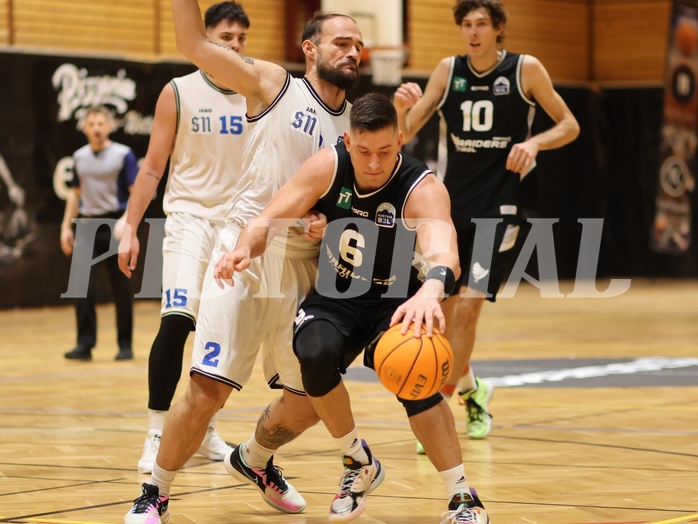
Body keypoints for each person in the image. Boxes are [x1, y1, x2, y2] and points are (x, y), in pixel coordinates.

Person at [123, 3, 364, 523]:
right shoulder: (275, 83)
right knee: (207, 388)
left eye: (356, 44)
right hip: (244, 253)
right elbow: (195, 45)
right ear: (310, 49)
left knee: (309, 399)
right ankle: (155, 491)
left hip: (303, 268)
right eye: (340, 42)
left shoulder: (355, 126)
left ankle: (255, 459)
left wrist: (333, 223)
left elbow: (353, 204)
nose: (352, 50)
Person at [216, 93, 490, 524]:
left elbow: (446, 254)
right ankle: (357, 462)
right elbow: (268, 217)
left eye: (385, 151)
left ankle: (462, 498)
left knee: (416, 381)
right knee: (314, 354)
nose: (375, 163)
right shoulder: (328, 165)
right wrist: (241, 250)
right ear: (348, 141)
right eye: (364, 152)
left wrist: (429, 292)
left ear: (400, 140)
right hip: (338, 295)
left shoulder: (422, 187)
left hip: (399, 300)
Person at [393, 0, 580, 444]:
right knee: (445, 311)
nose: (473, 32)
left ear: (498, 29)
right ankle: (474, 391)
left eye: (482, 24)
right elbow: (407, 133)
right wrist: (405, 107)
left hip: (501, 207)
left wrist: (534, 144)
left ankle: (435, 409)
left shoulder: (524, 69)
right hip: (452, 207)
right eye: (467, 25)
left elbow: (569, 124)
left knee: (469, 309)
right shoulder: (447, 69)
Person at [117, 0, 251, 476]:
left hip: (235, 230)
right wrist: (129, 225)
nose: (234, 46)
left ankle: (203, 427)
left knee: (217, 336)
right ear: (205, 38)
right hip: (189, 221)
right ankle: (157, 431)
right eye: (225, 37)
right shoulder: (178, 91)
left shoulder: (258, 91)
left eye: (241, 39)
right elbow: (152, 166)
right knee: (176, 322)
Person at [60, 105, 138, 361]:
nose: (96, 128)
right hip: (87, 225)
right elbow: (75, 193)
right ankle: (84, 344)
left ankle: (125, 345)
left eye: (100, 123)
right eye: (91, 124)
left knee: (121, 288)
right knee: (81, 288)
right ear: (84, 128)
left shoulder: (123, 154)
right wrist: (66, 227)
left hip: (114, 224)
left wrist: (127, 221)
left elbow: (136, 191)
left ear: (109, 126)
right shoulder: (79, 157)